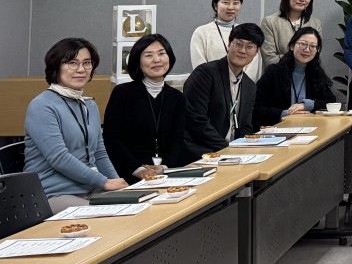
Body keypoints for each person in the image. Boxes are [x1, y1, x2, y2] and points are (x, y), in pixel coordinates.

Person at [25, 38, 127, 212]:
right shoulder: (42, 106)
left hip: (90, 189)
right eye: (72, 63)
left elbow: (99, 153)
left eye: (87, 63)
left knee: (136, 208)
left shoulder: (90, 105)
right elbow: (59, 158)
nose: (81, 69)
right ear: (56, 66)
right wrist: (104, 182)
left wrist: (119, 185)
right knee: (108, 215)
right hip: (52, 194)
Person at [103, 34, 188, 184]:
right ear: (138, 61)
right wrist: (137, 169)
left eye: (161, 53)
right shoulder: (122, 93)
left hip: (165, 173)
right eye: (149, 55)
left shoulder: (177, 98)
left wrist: (165, 167)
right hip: (128, 173)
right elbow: (111, 139)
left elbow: (177, 140)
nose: (157, 59)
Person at [183, 23, 263, 157]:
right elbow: (196, 120)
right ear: (229, 45)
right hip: (201, 151)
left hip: (230, 153)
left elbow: (246, 126)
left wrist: (240, 148)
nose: (243, 51)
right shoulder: (205, 73)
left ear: (257, 52)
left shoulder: (250, 86)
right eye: (238, 44)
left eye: (249, 47)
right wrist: (228, 149)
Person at [253, 27, 337, 126]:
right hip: (277, 129)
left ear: (317, 50)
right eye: (303, 44)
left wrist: (307, 105)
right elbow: (255, 108)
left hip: (308, 129)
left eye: (312, 46)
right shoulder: (274, 72)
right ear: (292, 46)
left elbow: (330, 102)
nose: (307, 49)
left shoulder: (316, 73)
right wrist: (284, 114)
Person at [190, 0, 261, 81]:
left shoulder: (248, 32)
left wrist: (238, 84)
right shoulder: (202, 32)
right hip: (210, 86)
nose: (231, 7)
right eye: (226, 2)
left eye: (236, 3)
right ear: (215, 5)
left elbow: (251, 67)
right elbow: (200, 69)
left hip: (241, 87)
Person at [260, 0, 323, 68]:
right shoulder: (270, 22)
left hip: (307, 74)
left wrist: (284, 57)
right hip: (278, 74)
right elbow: (269, 59)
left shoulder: (315, 23)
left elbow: (316, 56)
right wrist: (301, 58)